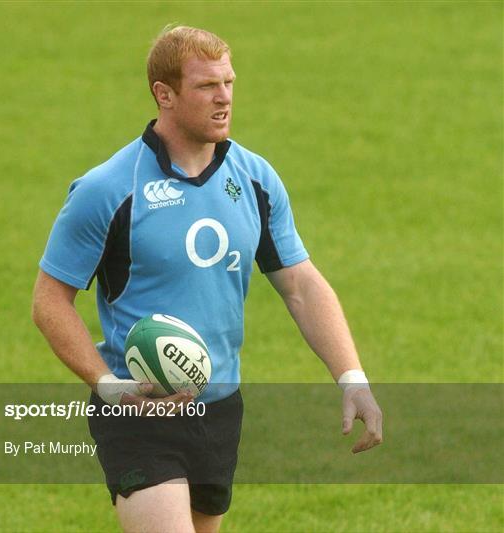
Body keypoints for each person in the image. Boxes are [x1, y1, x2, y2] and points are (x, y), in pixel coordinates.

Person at [32, 25, 383, 533]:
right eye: (206, 86)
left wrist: (353, 380)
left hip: (219, 409)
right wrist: (109, 387)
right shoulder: (107, 189)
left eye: (229, 82)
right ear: (164, 94)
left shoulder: (256, 178)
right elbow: (49, 301)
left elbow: (301, 286)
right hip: (139, 411)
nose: (224, 98)